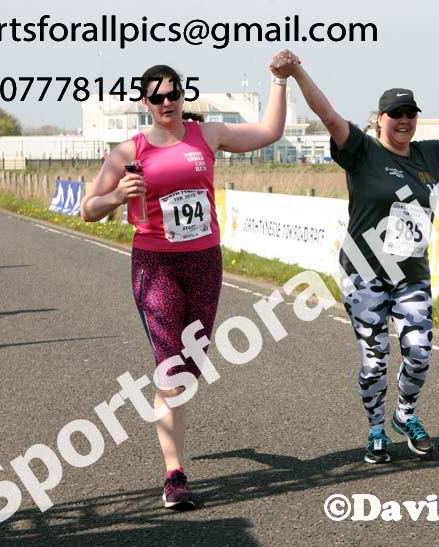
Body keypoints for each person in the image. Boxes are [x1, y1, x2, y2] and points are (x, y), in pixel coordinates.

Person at [279, 57, 439, 464]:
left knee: (419, 352)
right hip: (365, 274)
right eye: (396, 114)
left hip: (411, 275)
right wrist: (298, 74)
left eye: (410, 114)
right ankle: (375, 430)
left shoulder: (430, 156)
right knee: (375, 360)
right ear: (380, 119)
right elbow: (327, 114)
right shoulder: (361, 151)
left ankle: (404, 415)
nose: (404, 120)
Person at [81, 51, 293, 508]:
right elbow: (87, 209)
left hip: (203, 263)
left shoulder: (207, 135)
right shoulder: (128, 151)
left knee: (190, 368)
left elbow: (270, 132)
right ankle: (174, 474)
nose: (167, 102)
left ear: (182, 94)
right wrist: (118, 194)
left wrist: (279, 80)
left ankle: (173, 425)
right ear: (145, 102)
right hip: (153, 264)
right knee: (170, 369)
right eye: (157, 97)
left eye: (173, 93)